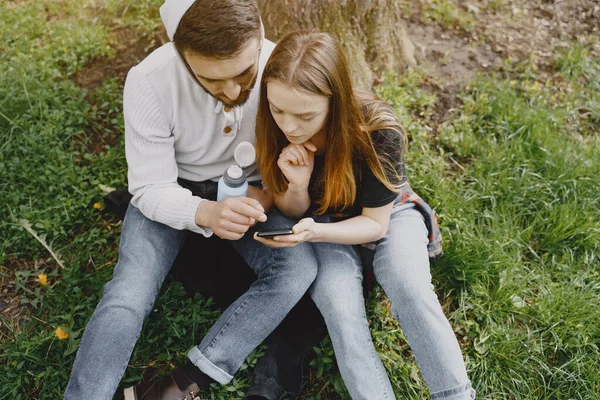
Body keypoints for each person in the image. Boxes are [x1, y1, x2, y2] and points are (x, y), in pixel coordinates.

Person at [64, 1, 321, 399]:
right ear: (182, 55)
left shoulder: (281, 68)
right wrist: (204, 212)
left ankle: (185, 382)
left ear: (259, 38)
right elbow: (149, 188)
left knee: (297, 268)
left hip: (249, 192)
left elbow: (297, 146)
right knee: (128, 293)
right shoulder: (149, 80)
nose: (234, 91)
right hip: (173, 189)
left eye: (244, 73)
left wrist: (268, 192)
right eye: (212, 79)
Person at [252, 30, 476, 400]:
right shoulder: (273, 129)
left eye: (305, 115)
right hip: (322, 221)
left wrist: (313, 234)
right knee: (340, 312)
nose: (289, 127)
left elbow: (376, 223)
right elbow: (293, 209)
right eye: (278, 110)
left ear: (335, 101)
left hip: (388, 214)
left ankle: (455, 394)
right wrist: (297, 185)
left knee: (408, 285)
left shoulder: (377, 130)